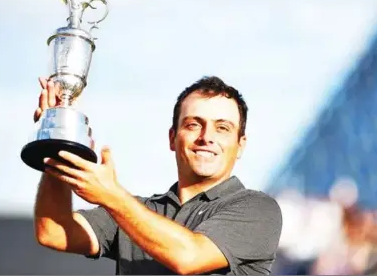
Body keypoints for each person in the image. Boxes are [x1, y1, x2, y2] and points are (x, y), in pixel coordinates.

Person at [33, 75, 283, 275]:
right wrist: (60, 140)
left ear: (240, 145)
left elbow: (188, 257)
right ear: (172, 138)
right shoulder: (136, 210)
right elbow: (53, 230)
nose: (207, 137)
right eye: (193, 124)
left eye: (222, 128)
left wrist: (112, 196)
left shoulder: (258, 209)